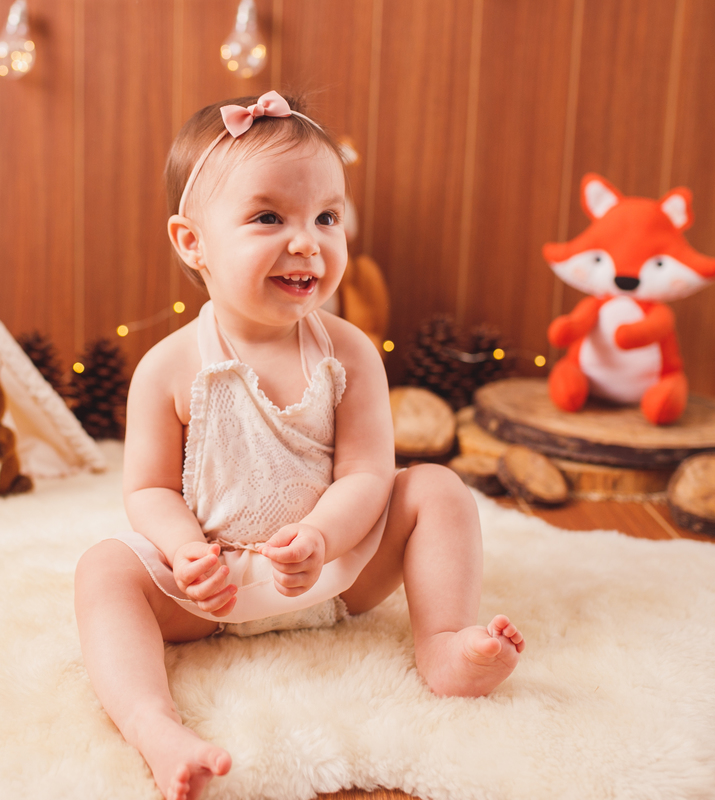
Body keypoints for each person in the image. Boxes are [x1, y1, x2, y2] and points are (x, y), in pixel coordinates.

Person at [73, 92, 525, 800]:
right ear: (192, 242)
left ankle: (444, 643)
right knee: (104, 571)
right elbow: (148, 490)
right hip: (212, 592)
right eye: (267, 218)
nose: (308, 241)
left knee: (434, 487)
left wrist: (320, 536)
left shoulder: (346, 353)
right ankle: (154, 724)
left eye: (327, 217)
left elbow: (370, 473)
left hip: (335, 571)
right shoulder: (167, 366)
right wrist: (189, 553)